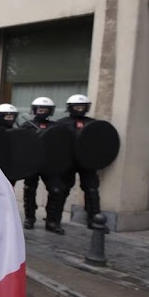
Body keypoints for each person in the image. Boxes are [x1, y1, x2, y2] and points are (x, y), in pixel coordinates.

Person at [53, 94, 106, 232]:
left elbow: (100, 143)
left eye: (82, 107)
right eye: (76, 107)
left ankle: (95, 220)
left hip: (87, 162)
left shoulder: (93, 124)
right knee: (62, 190)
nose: (79, 109)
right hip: (67, 162)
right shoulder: (61, 123)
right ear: (70, 108)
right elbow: (56, 143)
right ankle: (54, 221)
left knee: (92, 189)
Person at [20, 97, 67, 232]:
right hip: (32, 162)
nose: (42, 112)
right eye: (40, 109)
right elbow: (21, 145)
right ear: (34, 110)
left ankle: (52, 221)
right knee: (29, 189)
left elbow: (61, 146)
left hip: (49, 164)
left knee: (56, 190)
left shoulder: (55, 126)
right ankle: (30, 218)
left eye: (45, 109)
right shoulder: (27, 125)